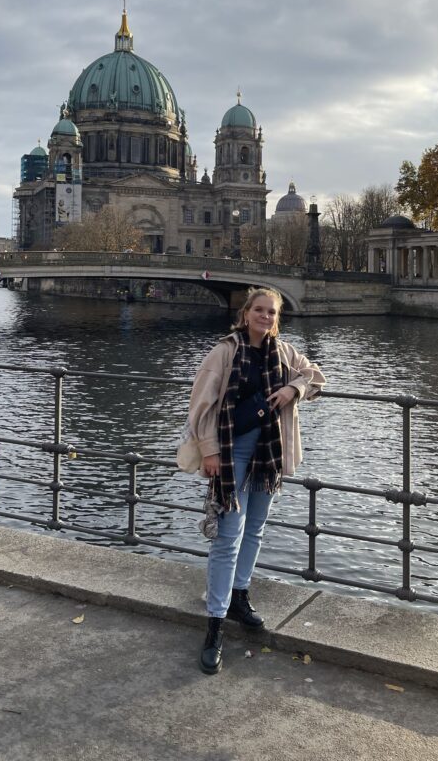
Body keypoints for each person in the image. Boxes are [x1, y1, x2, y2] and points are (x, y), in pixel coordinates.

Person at [183, 286, 325, 675]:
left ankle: (239, 596)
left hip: (269, 455)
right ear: (245, 314)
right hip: (232, 454)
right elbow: (200, 406)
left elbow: (316, 378)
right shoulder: (225, 352)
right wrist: (210, 451)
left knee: (255, 530)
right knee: (229, 536)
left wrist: (291, 388)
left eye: (272, 312)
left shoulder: (283, 353)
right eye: (259, 311)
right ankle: (214, 625)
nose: (265, 317)